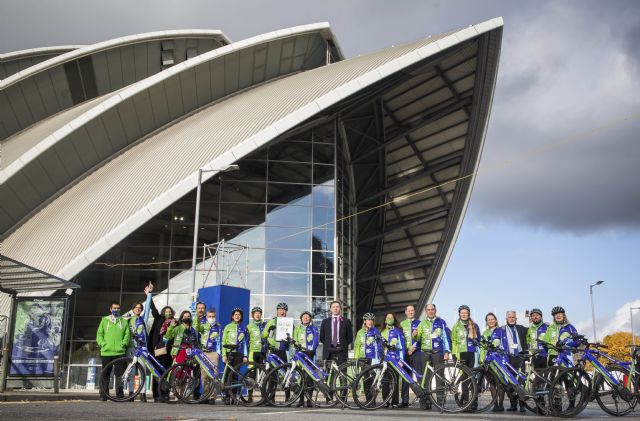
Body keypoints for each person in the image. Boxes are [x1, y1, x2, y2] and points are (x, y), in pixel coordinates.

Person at [414, 303, 450, 410]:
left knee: (440, 377)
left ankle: (440, 402)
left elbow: (446, 337)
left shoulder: (441, 322)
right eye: (428, 310)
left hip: (438, 352)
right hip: (425, 353)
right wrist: (415, 335)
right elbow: (417, 339)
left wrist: (447, 351)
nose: (430, 311)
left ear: (435, 310)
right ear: (426, 311)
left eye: (432, 309)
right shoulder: (422, 323)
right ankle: (426, 402)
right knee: (425, 378)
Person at [492, 310, 527, 412]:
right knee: (510, 382)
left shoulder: (521, 328)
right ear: (506, 319)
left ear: (516, 319)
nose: (511, 319)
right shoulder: (502, 329)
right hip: (509, 358)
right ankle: (513, 404)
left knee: (520, 382)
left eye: (513, 317)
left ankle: (523, 405)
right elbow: (496, 340)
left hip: (520, 357)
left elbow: (532, 329)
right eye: (509, 317)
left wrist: (546, 324)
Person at [96, 302, 131, 401]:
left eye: (118, 308)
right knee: (105, 374)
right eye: (114, 308)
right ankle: (104, 395)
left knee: (120, 375)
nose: (116, 310)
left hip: (119, 353)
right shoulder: (104, 320)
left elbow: (127, 335)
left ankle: (120, 395)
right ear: (110, 309)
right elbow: (99, 334)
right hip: (106, 352)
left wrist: (123, 344)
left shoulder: (124, 321)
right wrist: (103, 344)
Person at [124, 285, 153, 401]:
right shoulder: (128, 320)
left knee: (143, 372)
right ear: (132, 309)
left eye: (140, 308)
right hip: (131, 348)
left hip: (142, 349)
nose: (138, 309)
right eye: (136, 308)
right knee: (131, 372)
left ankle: (143, 394)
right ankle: (131, 393)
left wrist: (149, 295)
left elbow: (148, 307)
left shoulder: (143, 319)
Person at [451, 305, 480, 411]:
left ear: (468, 314)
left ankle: (472, 402)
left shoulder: (474, 326)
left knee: (472, 378)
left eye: (465, 313)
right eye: (462, 313)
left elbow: (479, 341)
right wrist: (454, 354)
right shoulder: (456, 326)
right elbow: (453, 341)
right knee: (465, 378)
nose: (464, 314)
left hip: (472, 354)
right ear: (459, 314)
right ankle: (465, 402)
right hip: (461, 354)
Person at [148, 301, 176, 402]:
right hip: (158, 350)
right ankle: (156, 395)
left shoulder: (175, 322)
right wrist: (149, 296)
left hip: (168, 351)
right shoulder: (159, 319)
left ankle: (165, 394)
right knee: (157, 373)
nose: (168, 313)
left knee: (167, 373)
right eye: (166, 311)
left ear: (172, 313)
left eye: (169, 311)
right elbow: (154, 310)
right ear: (163, 312)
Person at [353, 313, 383, 405]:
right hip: (363, 359)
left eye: (371, 320)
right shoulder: (360, 332)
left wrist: (379, 357)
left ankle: (372, 400)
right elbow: (357, 346)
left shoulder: (376, 331)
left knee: (373, 380)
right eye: (368, 320)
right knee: (365, 380)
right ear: (364, 321)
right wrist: (356, 359)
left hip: (373, 358)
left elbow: (380, 344)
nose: (370, 322)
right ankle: (368, 399)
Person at [222, 308, 249, 405]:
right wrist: (224, 355)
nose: (237, 316)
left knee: (235, 375)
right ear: (232, 316)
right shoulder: (227, 327)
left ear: (241, 317)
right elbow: (223, 342)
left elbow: (246, 343)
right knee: (227, 375)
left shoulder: (244, 327)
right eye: (235, 314)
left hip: (239, 354)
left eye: (239, 315)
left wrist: (245, 355)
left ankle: (234, 396)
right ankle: (226, 396)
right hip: (229, 353)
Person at [293, 311, 319, 407]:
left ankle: (309, 400)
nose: (306, 318)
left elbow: (316, 341)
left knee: (310, 378)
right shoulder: (297, 329)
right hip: (300, 355)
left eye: (308, 317)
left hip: (310, 355)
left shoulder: (314, 328)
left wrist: (311, 350)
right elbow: (294, 342)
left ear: (310, 319)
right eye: (304, 317)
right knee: (301, 378)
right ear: (301, 319)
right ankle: (300, 400)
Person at [380, 312, 405, 408]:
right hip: (385, 360)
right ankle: (385, 401)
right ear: (385, 320)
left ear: (394, 319)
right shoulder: (381, 332)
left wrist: (401, 361)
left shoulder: (398, 331)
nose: (390, 319)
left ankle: (395, 401)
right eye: (388, 317)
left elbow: (402, 347)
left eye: (391, 317)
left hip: (395, 360)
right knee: (385, 381)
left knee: (395, 380)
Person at [197, 308, 222, 404]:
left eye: (213, 316)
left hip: (213, 353)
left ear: (215, 317)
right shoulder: (203, 325)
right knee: (204, 376)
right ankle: (205, 395)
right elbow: (197, 328)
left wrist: (218, 353)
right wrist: (196, 316)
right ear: (206, 317)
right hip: (203, 353)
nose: (211, 318)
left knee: (213, 375)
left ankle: (212, 397)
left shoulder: (218, 326)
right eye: (209, 316)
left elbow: (220, 340)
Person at [399, 305, 421, 408]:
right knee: (405, 378)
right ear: (405, 312)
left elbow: (422, 338)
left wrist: (414, 348)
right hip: (405, 354)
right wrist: (405, 351)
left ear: (414, 312)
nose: (411, 312)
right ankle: (404, 401)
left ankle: (424, 401)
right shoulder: (401, 324)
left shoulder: (420, 323)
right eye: (409, 310)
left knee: (419, 376)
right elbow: (400, 339)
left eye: (412, 310)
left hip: (416, 353)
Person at [319, 300, 353, 365]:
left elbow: (349, 338)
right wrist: (329, 343)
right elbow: (322, 337)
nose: (335, 308)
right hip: (328, 350)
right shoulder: (325, 322)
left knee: (342, 372)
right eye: (333, 307)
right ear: (330, 309)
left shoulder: (346, 321)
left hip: (341, 350)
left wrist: (342, 345)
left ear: (340, 308)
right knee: (328, 373)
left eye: (337, 307)